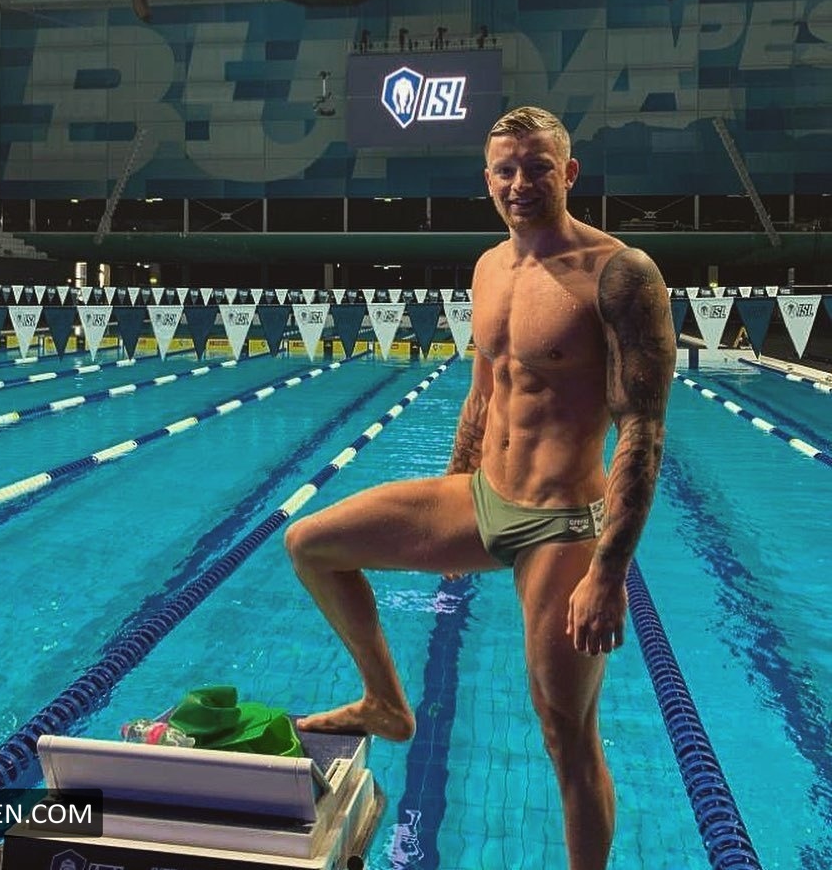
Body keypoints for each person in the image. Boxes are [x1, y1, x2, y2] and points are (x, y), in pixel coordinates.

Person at [284, 105, 677, 870]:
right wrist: (452, 499)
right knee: (311, 543)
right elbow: (483, 391)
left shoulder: (619, 273)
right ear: (487, 179)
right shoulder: (489, 266)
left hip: (562, 523)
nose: (519, 182)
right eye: (505, 169)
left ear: (568, 172)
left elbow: (643, 430)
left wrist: (608, 571)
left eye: (537, 166)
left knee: (566, 735)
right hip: (482, 496)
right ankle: (384, 702)